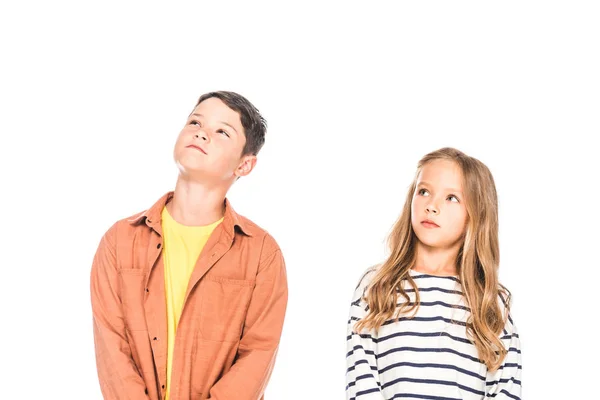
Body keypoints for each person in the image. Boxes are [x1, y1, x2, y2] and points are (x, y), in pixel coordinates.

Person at [90, 91, 288, 400]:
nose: (202, 132)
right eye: (195, 121)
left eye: (222, 131)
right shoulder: (119, 241)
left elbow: (258, 354)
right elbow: (112, 349)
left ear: (245, 165)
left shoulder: (261, 253)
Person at [345, 147, 522, 400]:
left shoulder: (491, 302)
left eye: (452, 198)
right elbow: (361, 379)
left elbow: (506, 387)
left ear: (476, 214)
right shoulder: (376, 284)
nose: (432, 206)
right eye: (424, 191)